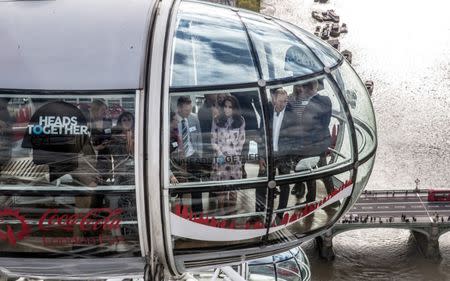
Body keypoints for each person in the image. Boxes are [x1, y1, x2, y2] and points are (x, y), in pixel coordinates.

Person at [255, 88, 298, 219]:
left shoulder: (292, 116)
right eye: (280, 101)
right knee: (261, 182)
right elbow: (261, 135)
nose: (283, 104)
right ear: (274, 100)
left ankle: (280, 213)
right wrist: (261, 155)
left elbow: (295, 138)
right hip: (268, 154)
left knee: (284, 185)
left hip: (284, 156)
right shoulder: (267, 113)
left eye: (285, 101)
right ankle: (258, 212)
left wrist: (291, 157)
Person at [289, 80, 333, 203]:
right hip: (321, 142)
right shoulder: (326, 100)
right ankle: (331, 197)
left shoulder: (311, 103)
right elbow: (325, 123)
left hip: (311, 144)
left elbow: (311, 125)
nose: (301, 89)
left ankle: (311, 199)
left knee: (310, 170)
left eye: (303, 87)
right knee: (323, 170)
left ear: (307, 88)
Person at [211, 95, 245, 213]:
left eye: (230, 107)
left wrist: (235, 155)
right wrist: (220, 154)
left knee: (233, 191)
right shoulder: (216, 119)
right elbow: (213, 141)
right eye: (225, 106)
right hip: (220, 160)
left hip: (234, 160)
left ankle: (231, 217)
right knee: (221, 191)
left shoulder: (240, 120)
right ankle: (221, 217)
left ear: (234, 108)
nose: (227, 109)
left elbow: (242, 140)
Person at [176, 96, 203, 213]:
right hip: (178, 158)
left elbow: (199, 137)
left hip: (193, 155)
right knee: (179, 189)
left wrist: (200, 154)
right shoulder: (171, 120)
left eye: (190, 110)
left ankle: (198, 213)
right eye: (186, 111)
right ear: (179, 108)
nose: (189, 113)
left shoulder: (194, 119)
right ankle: (180, 212)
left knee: (196, 187)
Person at [89, 99, 113, 184]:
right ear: (95, 110)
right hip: (91, 158)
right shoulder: (88, 124)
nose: (105, 112)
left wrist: (110, 142)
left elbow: (111, 136)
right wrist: (96, 148)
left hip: (105, 157)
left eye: (105, 109)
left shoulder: (108, 122)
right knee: (93, 181)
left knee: (104, 180)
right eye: (102, 110)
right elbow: (82, 145)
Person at [111, 111, 135, 185]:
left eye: (129, 119)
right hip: (121, 172)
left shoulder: (139, 136)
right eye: (124, 120)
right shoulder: (115, 138)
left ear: (133, 121)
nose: (127, 122)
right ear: (120, 122)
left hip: (136, 171)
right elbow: (117, 156)